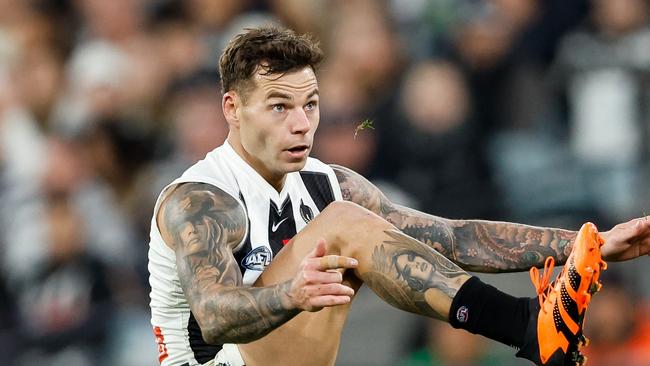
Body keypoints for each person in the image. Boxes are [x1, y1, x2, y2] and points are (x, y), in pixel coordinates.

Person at [147, 26, 650, 366]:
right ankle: (525, 327)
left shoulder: (327, 183)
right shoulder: (200, 198)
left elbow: (451, 239)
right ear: (232, 109)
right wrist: (290, 293)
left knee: (356, 222)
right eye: (279, 107)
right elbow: (212, 317)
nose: (302, 124)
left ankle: (529, 328)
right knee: (343, 223)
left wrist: (589, 244)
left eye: (311, 104)